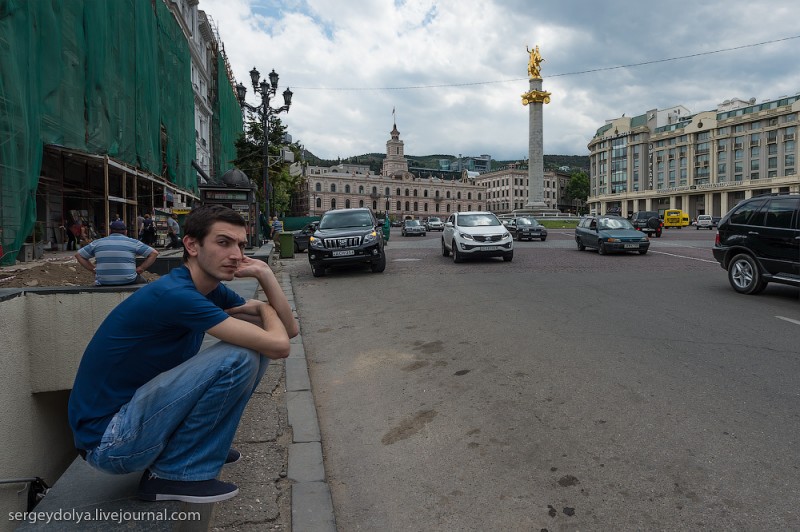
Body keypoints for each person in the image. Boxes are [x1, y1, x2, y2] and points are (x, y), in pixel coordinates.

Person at [68, 205, 299, 503]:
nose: (236, 255)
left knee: (257, 347)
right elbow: (280, 345)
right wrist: (265, 309)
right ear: (191, 245)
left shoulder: (206, 288)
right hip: (111, 442)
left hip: (134, 422)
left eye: (241, 245)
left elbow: (288, 330)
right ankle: (174, 474)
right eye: (223, 242)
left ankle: (203, 446)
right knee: (239, 356)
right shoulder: (176, 295)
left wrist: (266, 275)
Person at [75, 220, 159, 286]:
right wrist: (141, 268)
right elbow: (154, 253)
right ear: (125, 232)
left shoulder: (97, 243)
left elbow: (79, 255)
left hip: (103, 281)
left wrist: (93, 270)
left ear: (110, 231)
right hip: (129, 279)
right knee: (146, 285)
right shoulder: (133, 242)